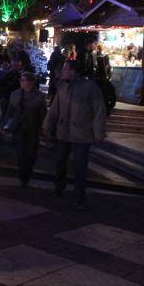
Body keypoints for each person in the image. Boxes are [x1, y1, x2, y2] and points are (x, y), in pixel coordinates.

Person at [43, 60, 107, 211]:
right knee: (60, 162)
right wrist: (47, 125)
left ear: (74, 71)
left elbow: (99, 110)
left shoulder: (90, 87)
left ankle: (79, 196)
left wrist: (99, 132)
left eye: (65, 69)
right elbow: (54, 109)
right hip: (63, 132)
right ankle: (59, 187)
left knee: (80, 166)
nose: (62, 71)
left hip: (82, 133)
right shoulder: (62, 86)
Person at [5, 72, 47, 186]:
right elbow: (10, 111)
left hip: (33, 128)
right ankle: (24, 176)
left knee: (31, 153)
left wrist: (44, 129)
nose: (23, 83)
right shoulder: (15, 95)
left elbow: (43, 114)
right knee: (21, 153)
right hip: (19, 128)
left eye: (25, 80)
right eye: (21, 80)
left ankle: (27, 171)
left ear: (32, 82)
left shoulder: (39, 96)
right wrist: (6, 125)